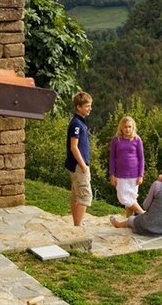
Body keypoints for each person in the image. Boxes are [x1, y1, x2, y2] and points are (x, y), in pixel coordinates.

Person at [110, 158, 162, 235]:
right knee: (132, 208)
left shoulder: (157, 184)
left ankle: (118, 224)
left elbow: (145, 206)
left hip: (149, 226)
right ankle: (129, 214)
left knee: (132, 219)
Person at [64, 91, 92, 226]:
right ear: (78, 107)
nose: (90, 108)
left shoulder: (79, 122)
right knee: (85, 196)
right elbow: (74, 147)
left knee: (76, 194)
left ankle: (76, 223)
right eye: (87, 106)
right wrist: (83, 165)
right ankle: (78, 225)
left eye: (90, 106)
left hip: (76, 165)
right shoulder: (76, 124)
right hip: (78, 165)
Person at [109, 115, 145, 217]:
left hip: (135, 174)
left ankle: (129, 221)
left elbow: (141, 158)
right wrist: (112, 174)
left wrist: (141, 175)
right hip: (120, 174)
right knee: (123, 198)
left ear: (133, 127)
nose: (127, 129)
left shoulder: (137, 139)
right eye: (125, 127)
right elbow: (112, 158)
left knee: (132, 198)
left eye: (129, 127)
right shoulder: (116, 140)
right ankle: (143, 213)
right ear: (121, 127)